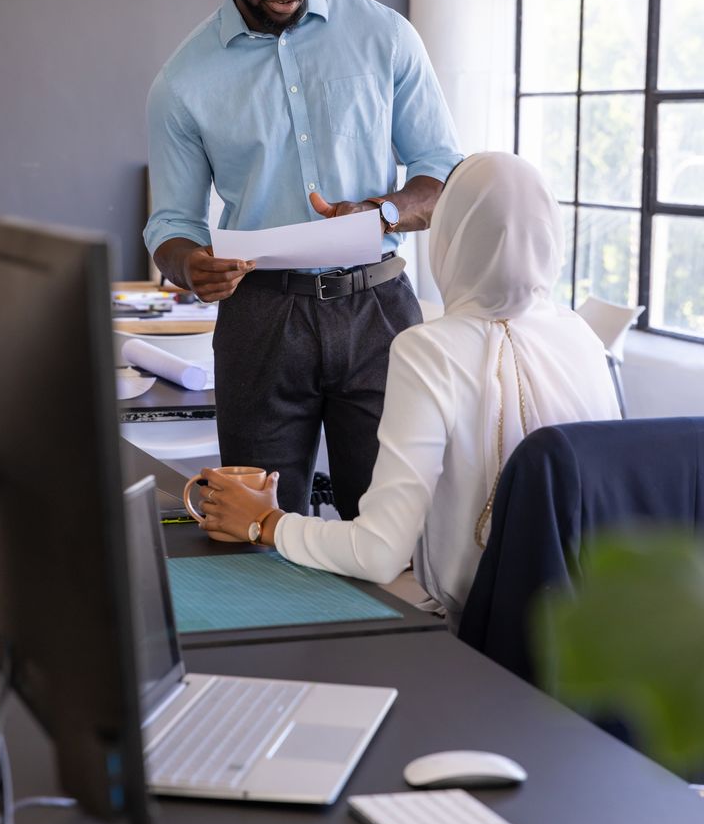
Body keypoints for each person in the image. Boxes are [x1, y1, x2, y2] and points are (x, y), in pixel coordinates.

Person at [144, 0, 462, 520]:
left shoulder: (385, 36)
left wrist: (383, 211)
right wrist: (190, 265)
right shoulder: (183, 81)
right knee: (253, 525)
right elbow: (170, 226)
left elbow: (442, 173)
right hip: (261, 319)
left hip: (379, 312)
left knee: (394, 524)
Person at [198, 152, 622, 629]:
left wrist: (265, 521)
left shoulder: (429, 349)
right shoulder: (582, 337)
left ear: (449, 236)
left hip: (472, 630)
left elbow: (378, 553)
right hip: (591, 625)